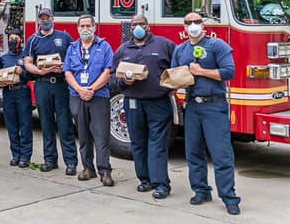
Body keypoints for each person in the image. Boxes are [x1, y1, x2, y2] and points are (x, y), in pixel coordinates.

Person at [172, 12, 241, 215]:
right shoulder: (180, 49)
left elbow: (229, 72)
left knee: (221, 154)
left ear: (203, 24)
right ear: (184, 27)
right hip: (192, 106)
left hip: (214, 106)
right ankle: (201, 190)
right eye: (188, 22)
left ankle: (230, 197)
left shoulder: (217, 46)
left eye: (197, 22)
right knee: (193, 153)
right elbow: (176, 75)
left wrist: (201, 71)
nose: (193, 25)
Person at [112, 14, 176, 198]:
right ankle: (144, 180)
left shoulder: (164, 45)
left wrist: (174, 87)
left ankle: (161, 184)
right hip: (132, 103)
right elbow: (114, 75)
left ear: (148, 26)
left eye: (141, 24)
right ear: (130, 28)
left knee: (157, 144)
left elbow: (178, 67)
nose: (138, 27)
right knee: (138, 144)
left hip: (158, 103)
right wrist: (125, 82)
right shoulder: (123, 49)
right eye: (134, 25)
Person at [23, 8, 78, 175]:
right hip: (42, 84)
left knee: (65, 124)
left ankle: (71, 162)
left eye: (47, 17)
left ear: (53, 19)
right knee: (46, 124)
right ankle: (50, 160)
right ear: (38, 21)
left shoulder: (64, 37)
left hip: (61, 85)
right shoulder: (33, 40)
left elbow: (74, 57)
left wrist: (65, 67)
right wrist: (39, 72)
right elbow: (27, 62)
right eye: (42, 18)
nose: (45, 20)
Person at [64, 14, 115, 186]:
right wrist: (79, 90)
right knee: (83, 134)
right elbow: (68, 72)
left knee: (101, 135)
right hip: (77, 96)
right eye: (82, 26)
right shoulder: (72, 48)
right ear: (77, 29)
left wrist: (92, 89)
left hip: (98, 96)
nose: (85, 29)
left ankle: (105, 171)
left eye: (88, 26)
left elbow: (108, 72)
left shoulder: (105, 46)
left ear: (94, 27)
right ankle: (88, 168)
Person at [0, 30, 33, 168]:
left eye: (15, 38)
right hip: (8, 93)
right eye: (10, 38)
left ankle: (25, 156)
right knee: (11, 126)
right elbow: (1, 75)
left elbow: (31, 76)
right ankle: (15, 155)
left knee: (25, 125)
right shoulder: (4, 58)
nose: (12, 41)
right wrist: (0, 83)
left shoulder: (26, 56)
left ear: (21, 40)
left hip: (22, 92)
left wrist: (22, 72)